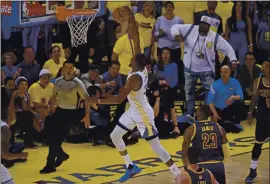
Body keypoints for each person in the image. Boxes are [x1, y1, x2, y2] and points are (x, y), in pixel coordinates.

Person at [87, 7, 180, 183]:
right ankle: (131, 167)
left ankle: (177, 174)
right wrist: (130, 20)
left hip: (143, 113)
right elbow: (136, 38)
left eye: (130, 59)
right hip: (133, 109)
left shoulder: (134, 79)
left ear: (135, 63)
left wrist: (95, 100)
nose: (128, 59)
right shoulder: (140, 65)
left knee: (157, 148)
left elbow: (117, 99)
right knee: (115, 136)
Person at [171, 15, 237, 120]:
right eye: (202, 23)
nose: (204, 26)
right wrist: (176, 35)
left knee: (210, 93)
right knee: (189, 91)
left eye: (206, 24)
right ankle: (190, 114)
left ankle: (206, 114)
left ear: (209, 26)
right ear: (199, 23)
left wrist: (233, 60)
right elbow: (174, 27)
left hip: (207, 70)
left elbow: (228, 48)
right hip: (190, 68)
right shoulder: (191, 29)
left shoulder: (214, 37)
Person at [40, 60, 90, 174]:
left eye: (70, 67)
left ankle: (50, 164)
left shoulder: (78, 83)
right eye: (66, 67)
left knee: (57, 139)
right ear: (63, 69)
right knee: (49, 135)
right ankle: (61, 155)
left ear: (73, 69)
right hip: (59, 111)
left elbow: (87, 99)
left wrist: (87, 115)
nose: (68, 70)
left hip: (72, 113)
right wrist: (50, 107)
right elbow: (54, 96)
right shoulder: (57, 81)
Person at [182, 105, 230, 184]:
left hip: (201, 165)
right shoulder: (219, 127)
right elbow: (227, 150)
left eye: (197, 111)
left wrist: (186, 166)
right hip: (218, 165)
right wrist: (222, 163)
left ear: (200, 113)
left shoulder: (191, 129)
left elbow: (185, 151)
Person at [245, 60, 270, 183]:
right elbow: (254, 97)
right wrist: (250, 112)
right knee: (257, 145)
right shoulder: (258, 81)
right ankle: (253, 170)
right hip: (262, 117)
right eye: (263, 66)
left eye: (265, 67)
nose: (263, 69)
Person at [208, 65, 245, 133]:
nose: (223, 74)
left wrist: (233, 97)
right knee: (221, 128)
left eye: (225, 72)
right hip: (218, 110)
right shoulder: (214, 84)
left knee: (240, 103)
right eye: (222, 72)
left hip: (229, 108)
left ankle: (237, 123)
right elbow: (210, 102)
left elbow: (241, 96)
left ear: (229, 73)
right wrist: (215, 113)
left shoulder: (235, 82)